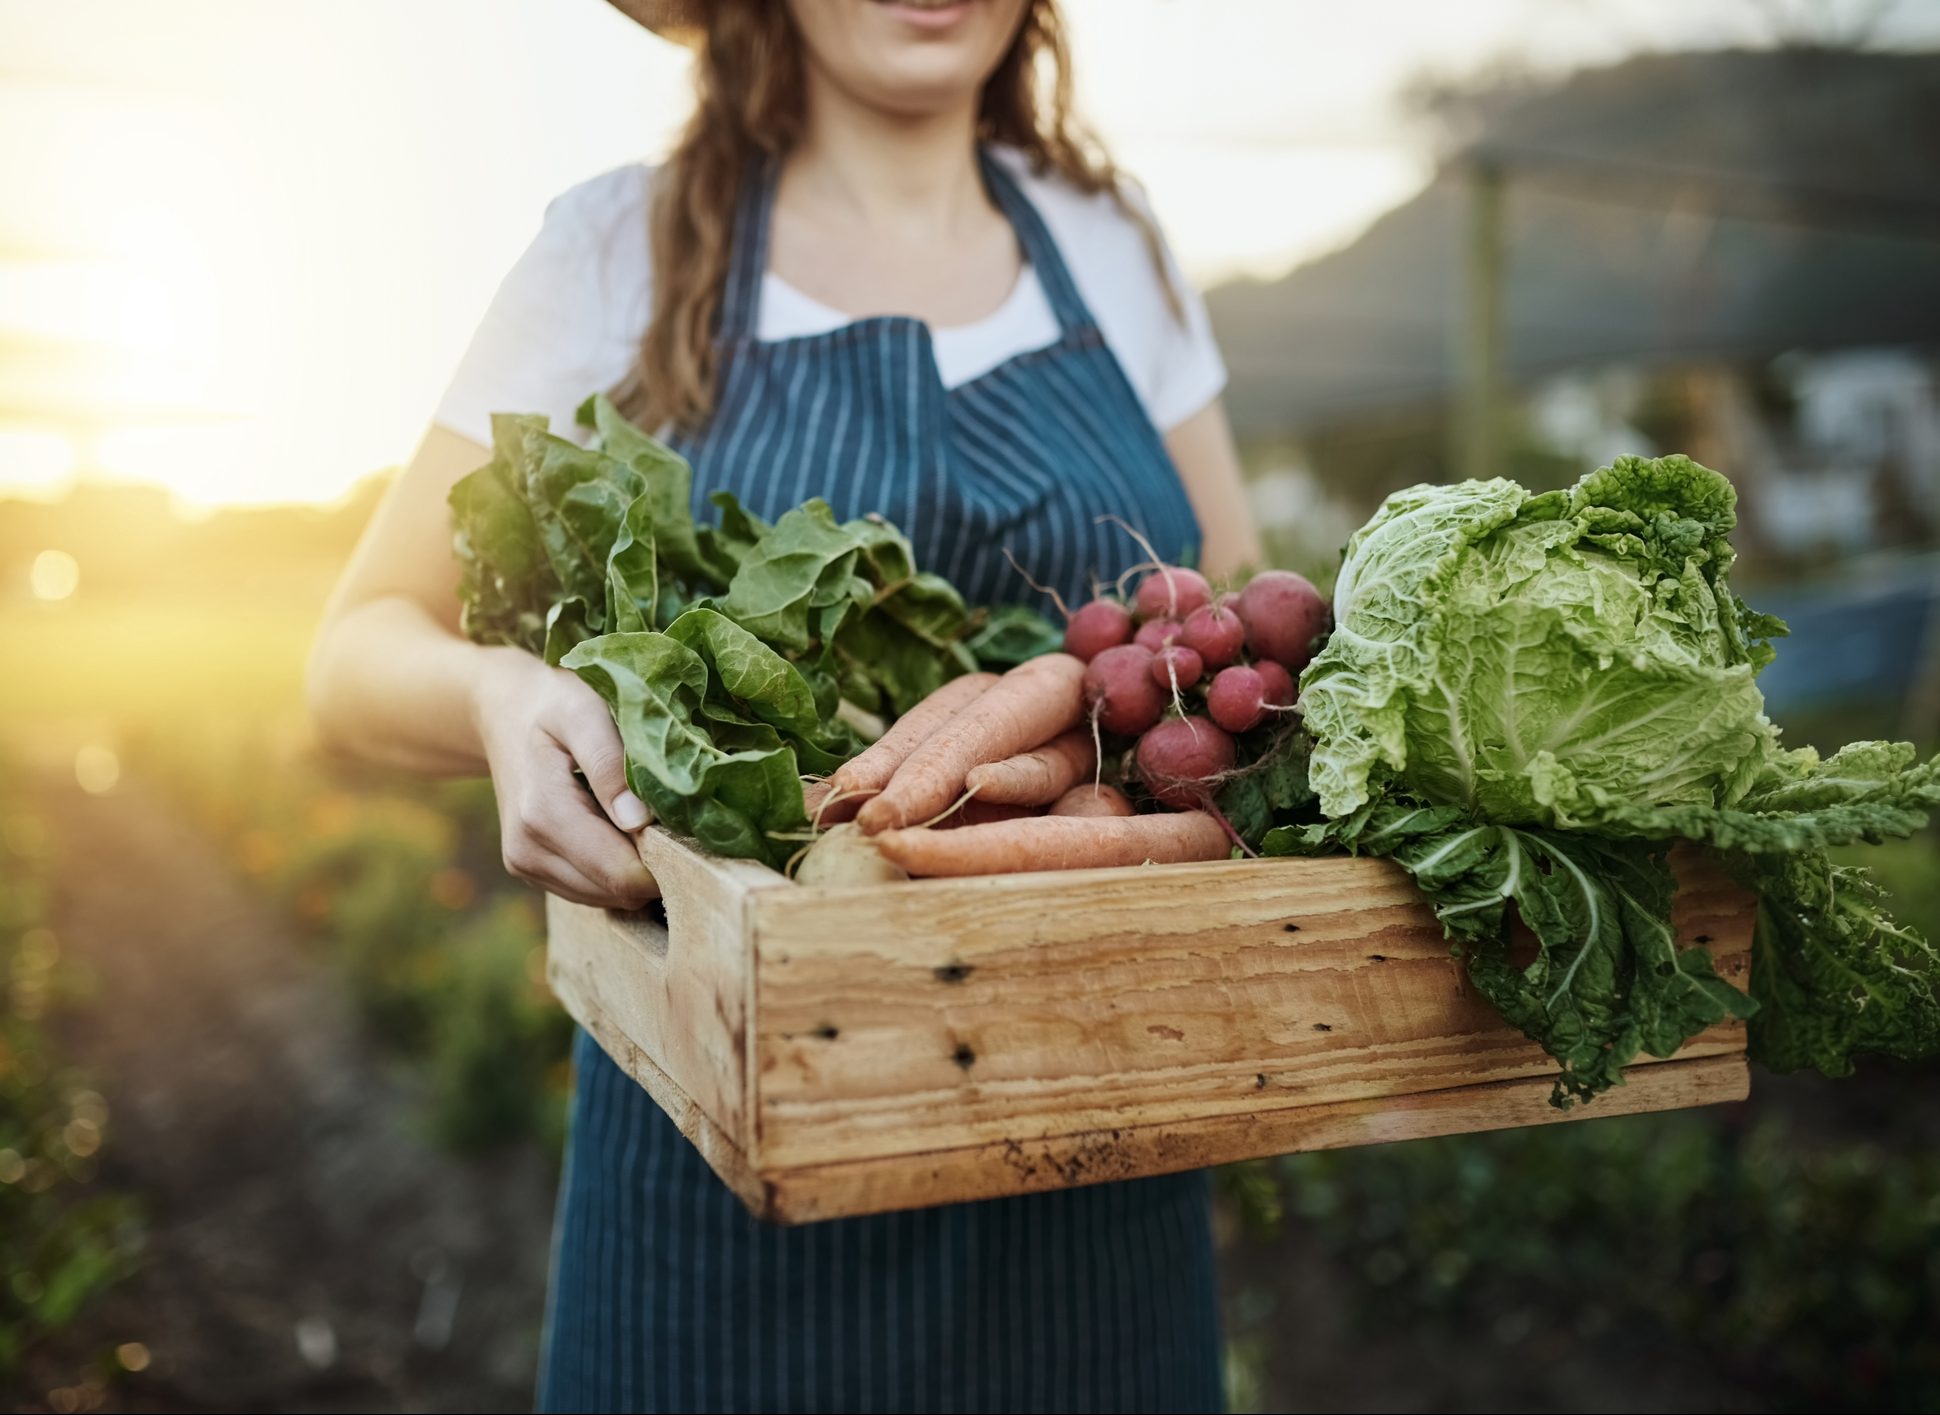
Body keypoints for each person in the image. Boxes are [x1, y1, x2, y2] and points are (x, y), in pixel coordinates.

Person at [308, 1, 1261, 1409]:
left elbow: (1232, 623)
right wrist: (501, 698)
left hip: (1096, 1161)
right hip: (720, 1176)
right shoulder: (611, 252)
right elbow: (351, 653)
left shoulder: (1110, 240)